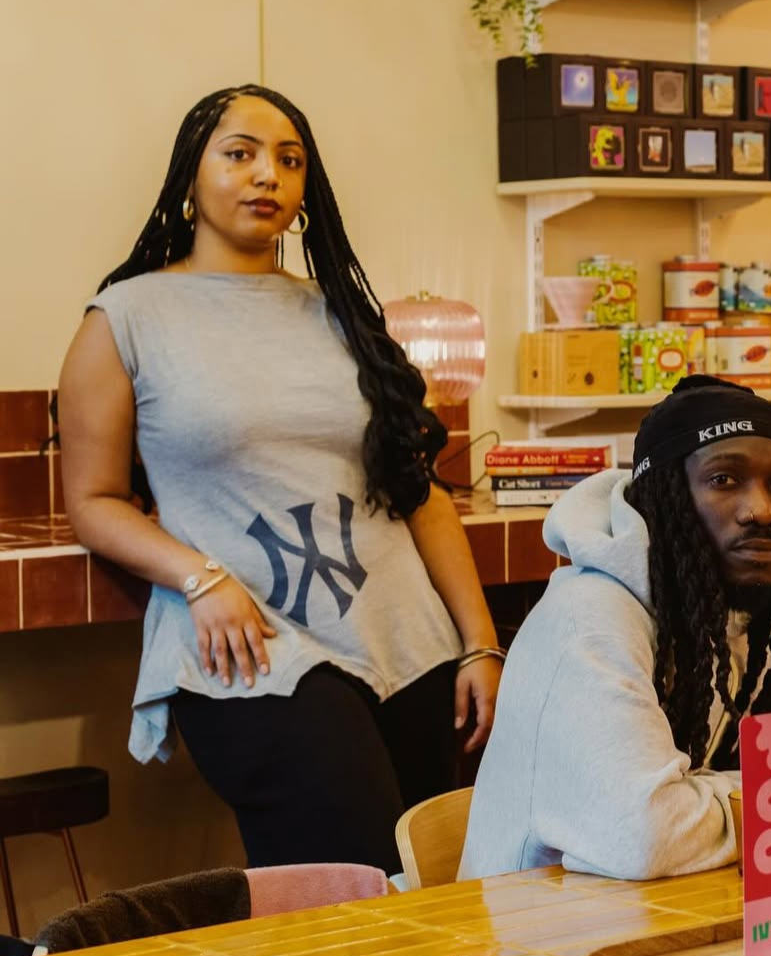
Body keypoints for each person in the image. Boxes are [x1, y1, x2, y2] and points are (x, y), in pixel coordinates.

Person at [57, 84, 504, 873]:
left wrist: (479, 644)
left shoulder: (346, 318)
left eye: (289, 161)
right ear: (188, 181)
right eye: (240, 154)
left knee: (432, 886)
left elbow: (418, 490)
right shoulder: (126, 318)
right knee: (354, 891)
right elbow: (92, 501)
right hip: (257, 644)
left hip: (407, 639)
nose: (267, 174)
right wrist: (198, 578)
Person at [458, 377, 771, 881]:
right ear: (665, 496)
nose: (763, 510)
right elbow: (649, 834)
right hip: (531, 941)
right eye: (724, 480)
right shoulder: (588, 624)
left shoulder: (751, 630)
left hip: (663, 927)